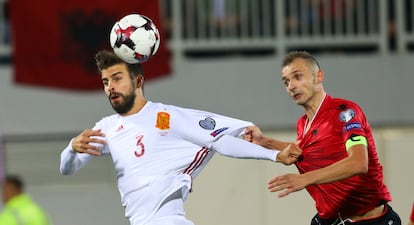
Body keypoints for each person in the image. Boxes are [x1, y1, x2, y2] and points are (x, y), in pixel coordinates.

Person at [59, 49, 301, 225]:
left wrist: (274, 154)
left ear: (138, 81)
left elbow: (220, 141)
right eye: (105, 81)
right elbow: (67, 169)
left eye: (117, 78)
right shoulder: (108, 128)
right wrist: (72, 148)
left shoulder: (166, 117)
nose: (109, 87)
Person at [243, 50, 401, 225]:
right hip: (330, 220)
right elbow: (301, 152)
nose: (291, 86)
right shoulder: (303, 124)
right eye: (286, 82)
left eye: (297, 77)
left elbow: (358, 162)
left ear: (318, 76)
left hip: (369, 220)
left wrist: (305, 178)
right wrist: (264, 141)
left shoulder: (345, 112)